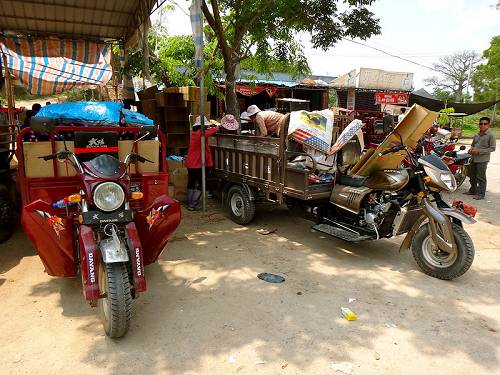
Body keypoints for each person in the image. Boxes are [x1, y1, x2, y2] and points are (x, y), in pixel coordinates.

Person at [184, 115, 222, 210]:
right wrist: (218, 127)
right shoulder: (200, 134)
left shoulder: (193, 133)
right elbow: (211, 131)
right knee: (201, 184)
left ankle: (190, 202)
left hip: (190, 163)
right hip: (197, 163)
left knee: (191, 182)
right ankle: (192, 204)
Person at [464, 117, 496, 200]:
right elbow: (473, 144)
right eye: (481, 123)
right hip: (473, 158)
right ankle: (473, 191)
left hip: (482, 159)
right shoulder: (476, 135)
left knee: (481, 177)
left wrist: (479, 152)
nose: (482, 125)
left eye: (485, 124)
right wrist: (471, 150)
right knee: (472, 176)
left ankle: (481, 194)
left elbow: (492, 148)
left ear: (488, 125)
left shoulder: (491, 135)